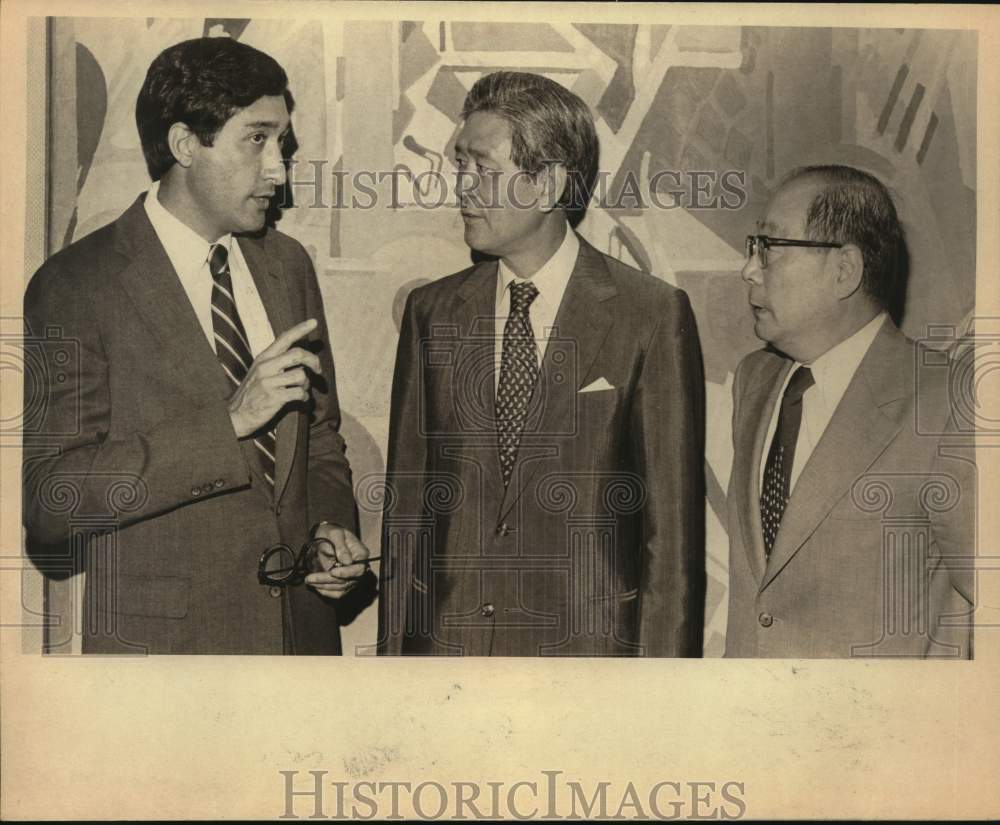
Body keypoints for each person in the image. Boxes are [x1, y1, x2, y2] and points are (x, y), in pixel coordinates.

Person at [22, 37, 369, 655]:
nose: (279, 168)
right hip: (167, 657)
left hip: (301, 644)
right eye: (256, 139)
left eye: (282, 142)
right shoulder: (77, 283)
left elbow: (319, 438)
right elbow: (55, 501)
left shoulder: (288, 265)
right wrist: (230, 422)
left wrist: (328, 530)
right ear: (185, 144)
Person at [377, 71, 706, 656]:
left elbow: (671, 542)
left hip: (589, 668)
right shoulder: (433, 312)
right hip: (449, 661)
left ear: (550, 182)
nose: (463, 188)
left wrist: (662, 703)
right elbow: (407, 513)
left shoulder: (650, 315)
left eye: (485, 169)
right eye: (461, 166)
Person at [726, 164, 975, 658]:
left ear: (845, 271)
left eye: (769, 248)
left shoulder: (949, 404)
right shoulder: (755, 381)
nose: (749, 270)